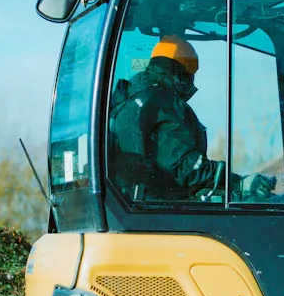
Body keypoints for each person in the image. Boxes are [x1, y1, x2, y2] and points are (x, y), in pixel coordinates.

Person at [109, 35, 275, 202]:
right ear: (181, 72)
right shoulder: (161, 101)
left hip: (139, 203)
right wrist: (238, 184)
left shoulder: (131, 100)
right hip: (163, 210)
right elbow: (186, 166)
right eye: (190, 74)